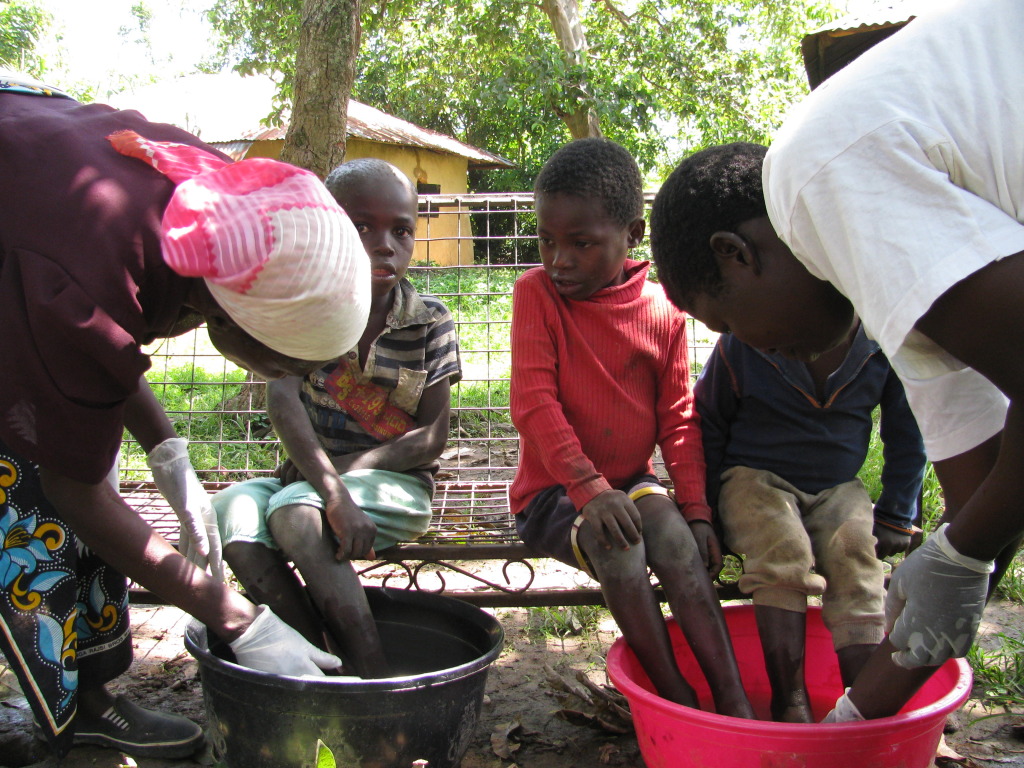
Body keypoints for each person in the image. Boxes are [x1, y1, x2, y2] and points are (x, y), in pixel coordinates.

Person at [651, 0, 1024, 718]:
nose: (748, 347)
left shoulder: (813, 171)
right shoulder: (908, 294)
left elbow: (973, 534)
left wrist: (962, 546)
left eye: (725, 319)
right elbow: (987, 508)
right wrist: (853, 725)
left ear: (736, 255)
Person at [0, 70, 370, 757]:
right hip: (20, 229)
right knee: (27, 499)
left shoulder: (215, 204)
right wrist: (235, 617)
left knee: (91, 458)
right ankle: (54, 714)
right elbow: (71, 483)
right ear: (233, 320)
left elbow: (96, 341)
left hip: (32, 228)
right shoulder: (83, 262)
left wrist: (168, 452)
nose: (291, 379)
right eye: (285, 363)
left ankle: (92, 697)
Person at [509, 137, 755, 717]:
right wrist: (590, 491)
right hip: (552, 494)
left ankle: (733, 699)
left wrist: (696, 509)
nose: (558, 259)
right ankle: (674, 700)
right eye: (547, 240)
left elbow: (678, 418)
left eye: (581, 243)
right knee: (617, 544)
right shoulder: (536, 295)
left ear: (633, 235)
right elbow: (534, 403)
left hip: (632, 484)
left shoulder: (663, 311)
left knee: (673, 541)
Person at [212, 158, 461, 677]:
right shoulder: (306, 309)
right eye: (362, 226)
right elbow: (283, 401)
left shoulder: (430, 322)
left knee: (295, 514)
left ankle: (372, 673)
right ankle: (316, 655)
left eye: (402, 230)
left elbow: (431, 440)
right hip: (311, 480)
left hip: (395, 486)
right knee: (230, 509)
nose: (384, 243)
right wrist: (326, 484)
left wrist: (332, 477)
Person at [695, 325, 926, 721]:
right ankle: (790, 698)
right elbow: (708, 420)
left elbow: (908, 430)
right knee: (784, 548)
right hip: (753, 479)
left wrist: (896, 514)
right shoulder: (745, 338)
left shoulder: (881, 343)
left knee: (856, 557)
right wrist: (706, 512)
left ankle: (861, 705)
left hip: (837, 486)